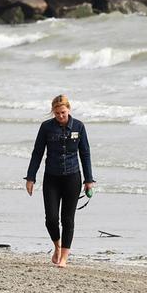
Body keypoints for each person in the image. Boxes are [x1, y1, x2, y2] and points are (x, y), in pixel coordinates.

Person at [24, 94, 94, 267]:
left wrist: (89, 179)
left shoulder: (79, 126)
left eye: (63, 112)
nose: (60, 116)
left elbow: (85, 153)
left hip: (73, 177)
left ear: (68, 109)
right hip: (51, 178)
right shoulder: (46, 127)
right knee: (51, 219)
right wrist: (31, 177)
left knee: (68, 219)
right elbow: (37, 152)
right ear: (53, 113)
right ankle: (57, 245)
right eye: (57, 113)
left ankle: (64, 257)